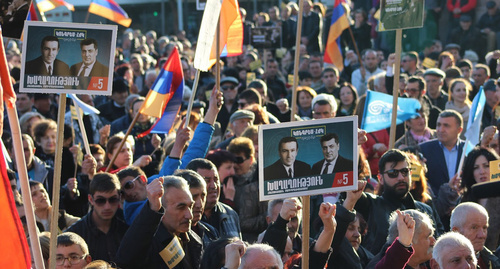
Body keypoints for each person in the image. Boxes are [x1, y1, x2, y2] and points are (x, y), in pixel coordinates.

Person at [354, 149, 443, 254]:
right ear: (380, 178)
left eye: (405, 172)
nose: (401, 177)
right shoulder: (371, 205)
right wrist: (355, 147)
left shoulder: (426, 209)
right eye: (393, 173)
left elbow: (439, 247)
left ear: (410, 173)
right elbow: (349, 186)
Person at [116, 176, 203, 268]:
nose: (189, 215)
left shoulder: (194, 239)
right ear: (161, 209)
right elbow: (125, 260)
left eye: (190, 206)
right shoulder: (148, 243)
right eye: (181, 207)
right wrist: (152, 209)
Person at [66, 173, 128, 263]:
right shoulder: (75, 235)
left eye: (113, 199)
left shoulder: (126, 231)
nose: (107, 206)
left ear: (119, 198)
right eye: (100, 200)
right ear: (91, 199)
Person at [185, 159, 242, 239]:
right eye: (207, 180)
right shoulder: (186, 217)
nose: (214, 185)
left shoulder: (230, 214)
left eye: (216, 180)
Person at [368, 209, 436, 269]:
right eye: (428, 236)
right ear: (410, 241)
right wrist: (403, 244)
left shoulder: (432, 263)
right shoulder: (380, 265)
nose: (434, 241)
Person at [419, 110, 465, 195]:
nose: (441, 130)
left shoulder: (468, 150)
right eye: (438, 125)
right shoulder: (424, 149)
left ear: (459, 130)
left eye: (446, 126)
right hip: (436, 204)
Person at [449, 202, 500, 268]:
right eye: (474, 228)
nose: (482, 235)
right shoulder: (442, 263)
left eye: (484, 228)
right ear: (456, 231)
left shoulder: (492, 261)